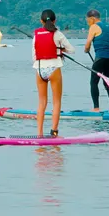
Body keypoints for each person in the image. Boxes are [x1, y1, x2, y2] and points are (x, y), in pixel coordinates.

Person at [32, 9, 75, 137]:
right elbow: (72, 50)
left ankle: (39, 134)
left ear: (41, 21)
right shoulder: (58, 34)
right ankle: (54, 133)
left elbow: (34, 56)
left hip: (39, 69)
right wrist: (60, 50)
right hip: (54, 68)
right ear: (55, 20)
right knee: (56, 102)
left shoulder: (36, 35)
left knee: (41, 102)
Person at [84, 9, 109, 113]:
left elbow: (88, 43)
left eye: (88, 20)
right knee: (107, 82)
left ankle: (96, 108)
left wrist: (86, 49)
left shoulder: (94, 26)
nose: (88, 23)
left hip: (100, 58)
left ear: (92, 18)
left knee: (93, 82)